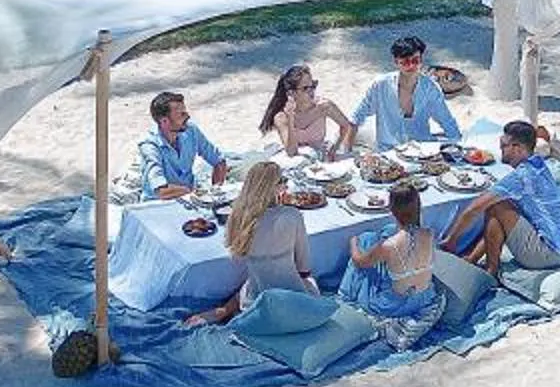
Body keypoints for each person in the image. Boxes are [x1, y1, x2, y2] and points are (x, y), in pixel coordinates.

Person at [440, 120, 560, 275]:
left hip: (550, 254)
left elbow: (474, 209)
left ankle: (491, 270)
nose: (500, 149)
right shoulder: (539, 164)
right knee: (501, 205)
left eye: (504, 145)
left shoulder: (521, 177)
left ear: (517, 148)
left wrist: (451, 240)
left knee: (496, 206)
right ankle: (474, 261)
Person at [185, 162, 314, 326]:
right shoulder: (292, 215)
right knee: (309, 282)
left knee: (252, 281)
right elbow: (304, 268)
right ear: (274, 187)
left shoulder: (239, 217)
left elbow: (236, 252)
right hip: (290, 297)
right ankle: (226, 309)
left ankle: (224, 310)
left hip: (254, 300)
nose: (286, 184)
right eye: (282, 180)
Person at [338, 183, 443, 349]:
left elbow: (359, 261)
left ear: (392, 209)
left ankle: (345, 295)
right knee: (382, 234)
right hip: (424, 298)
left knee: (365, 240)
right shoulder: (429, 234)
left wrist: (353, 242)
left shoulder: (388, 246)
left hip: (393, 306)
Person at [355, 36, 459, 150]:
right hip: (388, 151)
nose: (411, 66)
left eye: (415, 60)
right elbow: (357, 117)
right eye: (405, 62)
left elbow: (447, 122)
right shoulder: (381, 85)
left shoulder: (431, 88)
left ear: (421, 60)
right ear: (396, 62)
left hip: (422, 151)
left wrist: (458, 145)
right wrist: (347, 150)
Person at [138, 90, 226, 198]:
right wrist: (191, 192)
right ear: (165, 121)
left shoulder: (191, 131)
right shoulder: (150, 146)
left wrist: (215, 192)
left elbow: (219, 161)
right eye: (182, 114)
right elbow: (161, 191)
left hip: (189, 201)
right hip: (158, 206)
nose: (188, 116)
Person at [258, 64, 354, 159]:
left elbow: (346, 125)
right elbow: (292, 152)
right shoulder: (281, 117)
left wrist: (335, 148)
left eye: (313, 86)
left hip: (320, 158)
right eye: (305, 88)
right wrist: (290, 118)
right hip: (296, 161)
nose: (311, 91)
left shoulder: (324, 106)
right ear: (291, 93)